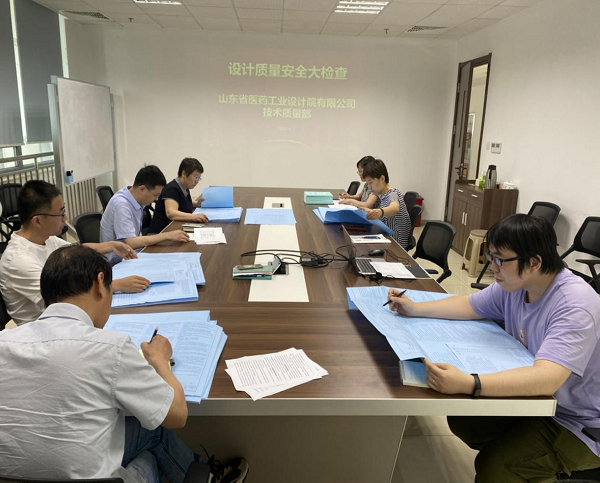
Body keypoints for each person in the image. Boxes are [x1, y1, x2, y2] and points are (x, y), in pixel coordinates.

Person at [0, 245, 249, 482]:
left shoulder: (3, 341)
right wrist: (160, 360)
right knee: (151, 443)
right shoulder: (111, 348)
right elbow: (177, 415)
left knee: (143, 429)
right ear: (100, 283)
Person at [386, 214, 600, 482]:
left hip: (580, 422)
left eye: (500, 260)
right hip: (542, 403)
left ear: (534, 262)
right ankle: (522, 455)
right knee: (466, 420)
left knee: (495, 468)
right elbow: (471, 305)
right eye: (491, 257)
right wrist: (415, 309)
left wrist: (471, 383)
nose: (492, 267)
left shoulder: (574, 305)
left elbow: (547, 379)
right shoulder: (517, 284)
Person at [0, 180, 150, 326]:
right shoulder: (18, 260)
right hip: (44, 330)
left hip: (66, 320)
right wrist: (116, 285)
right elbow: (65, 298)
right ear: (37, 221)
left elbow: (77, 250)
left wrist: (111, 246)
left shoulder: (47, 239)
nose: (65, 219)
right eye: (60, 213)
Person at [100, 165, 190, 264]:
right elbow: (131, 242)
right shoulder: (122, 205)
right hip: (117, 263)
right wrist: (167, 236)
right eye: (155, 195)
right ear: (142, 189)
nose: (156, 199)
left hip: (133, 253)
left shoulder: (133, 196)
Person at [360, 158, 411, 249]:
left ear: (382, 179)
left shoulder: (392, 194)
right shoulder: (383, 196)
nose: (369, 187)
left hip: (396, 245)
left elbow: (395, 208)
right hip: (387, 238)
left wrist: (380, 212)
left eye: (371, 182)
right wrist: (369, 211)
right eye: (367, 183)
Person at [148, 157, 208, 234]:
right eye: (195, 177)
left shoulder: (184, 187)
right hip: (160, 233)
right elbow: (171, 213)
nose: (197, 181)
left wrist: (196, 204)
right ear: (184, 174)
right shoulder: (172, 189)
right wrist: (194, 216)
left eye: (199, 178)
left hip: (174, 230)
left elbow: (180, 202)